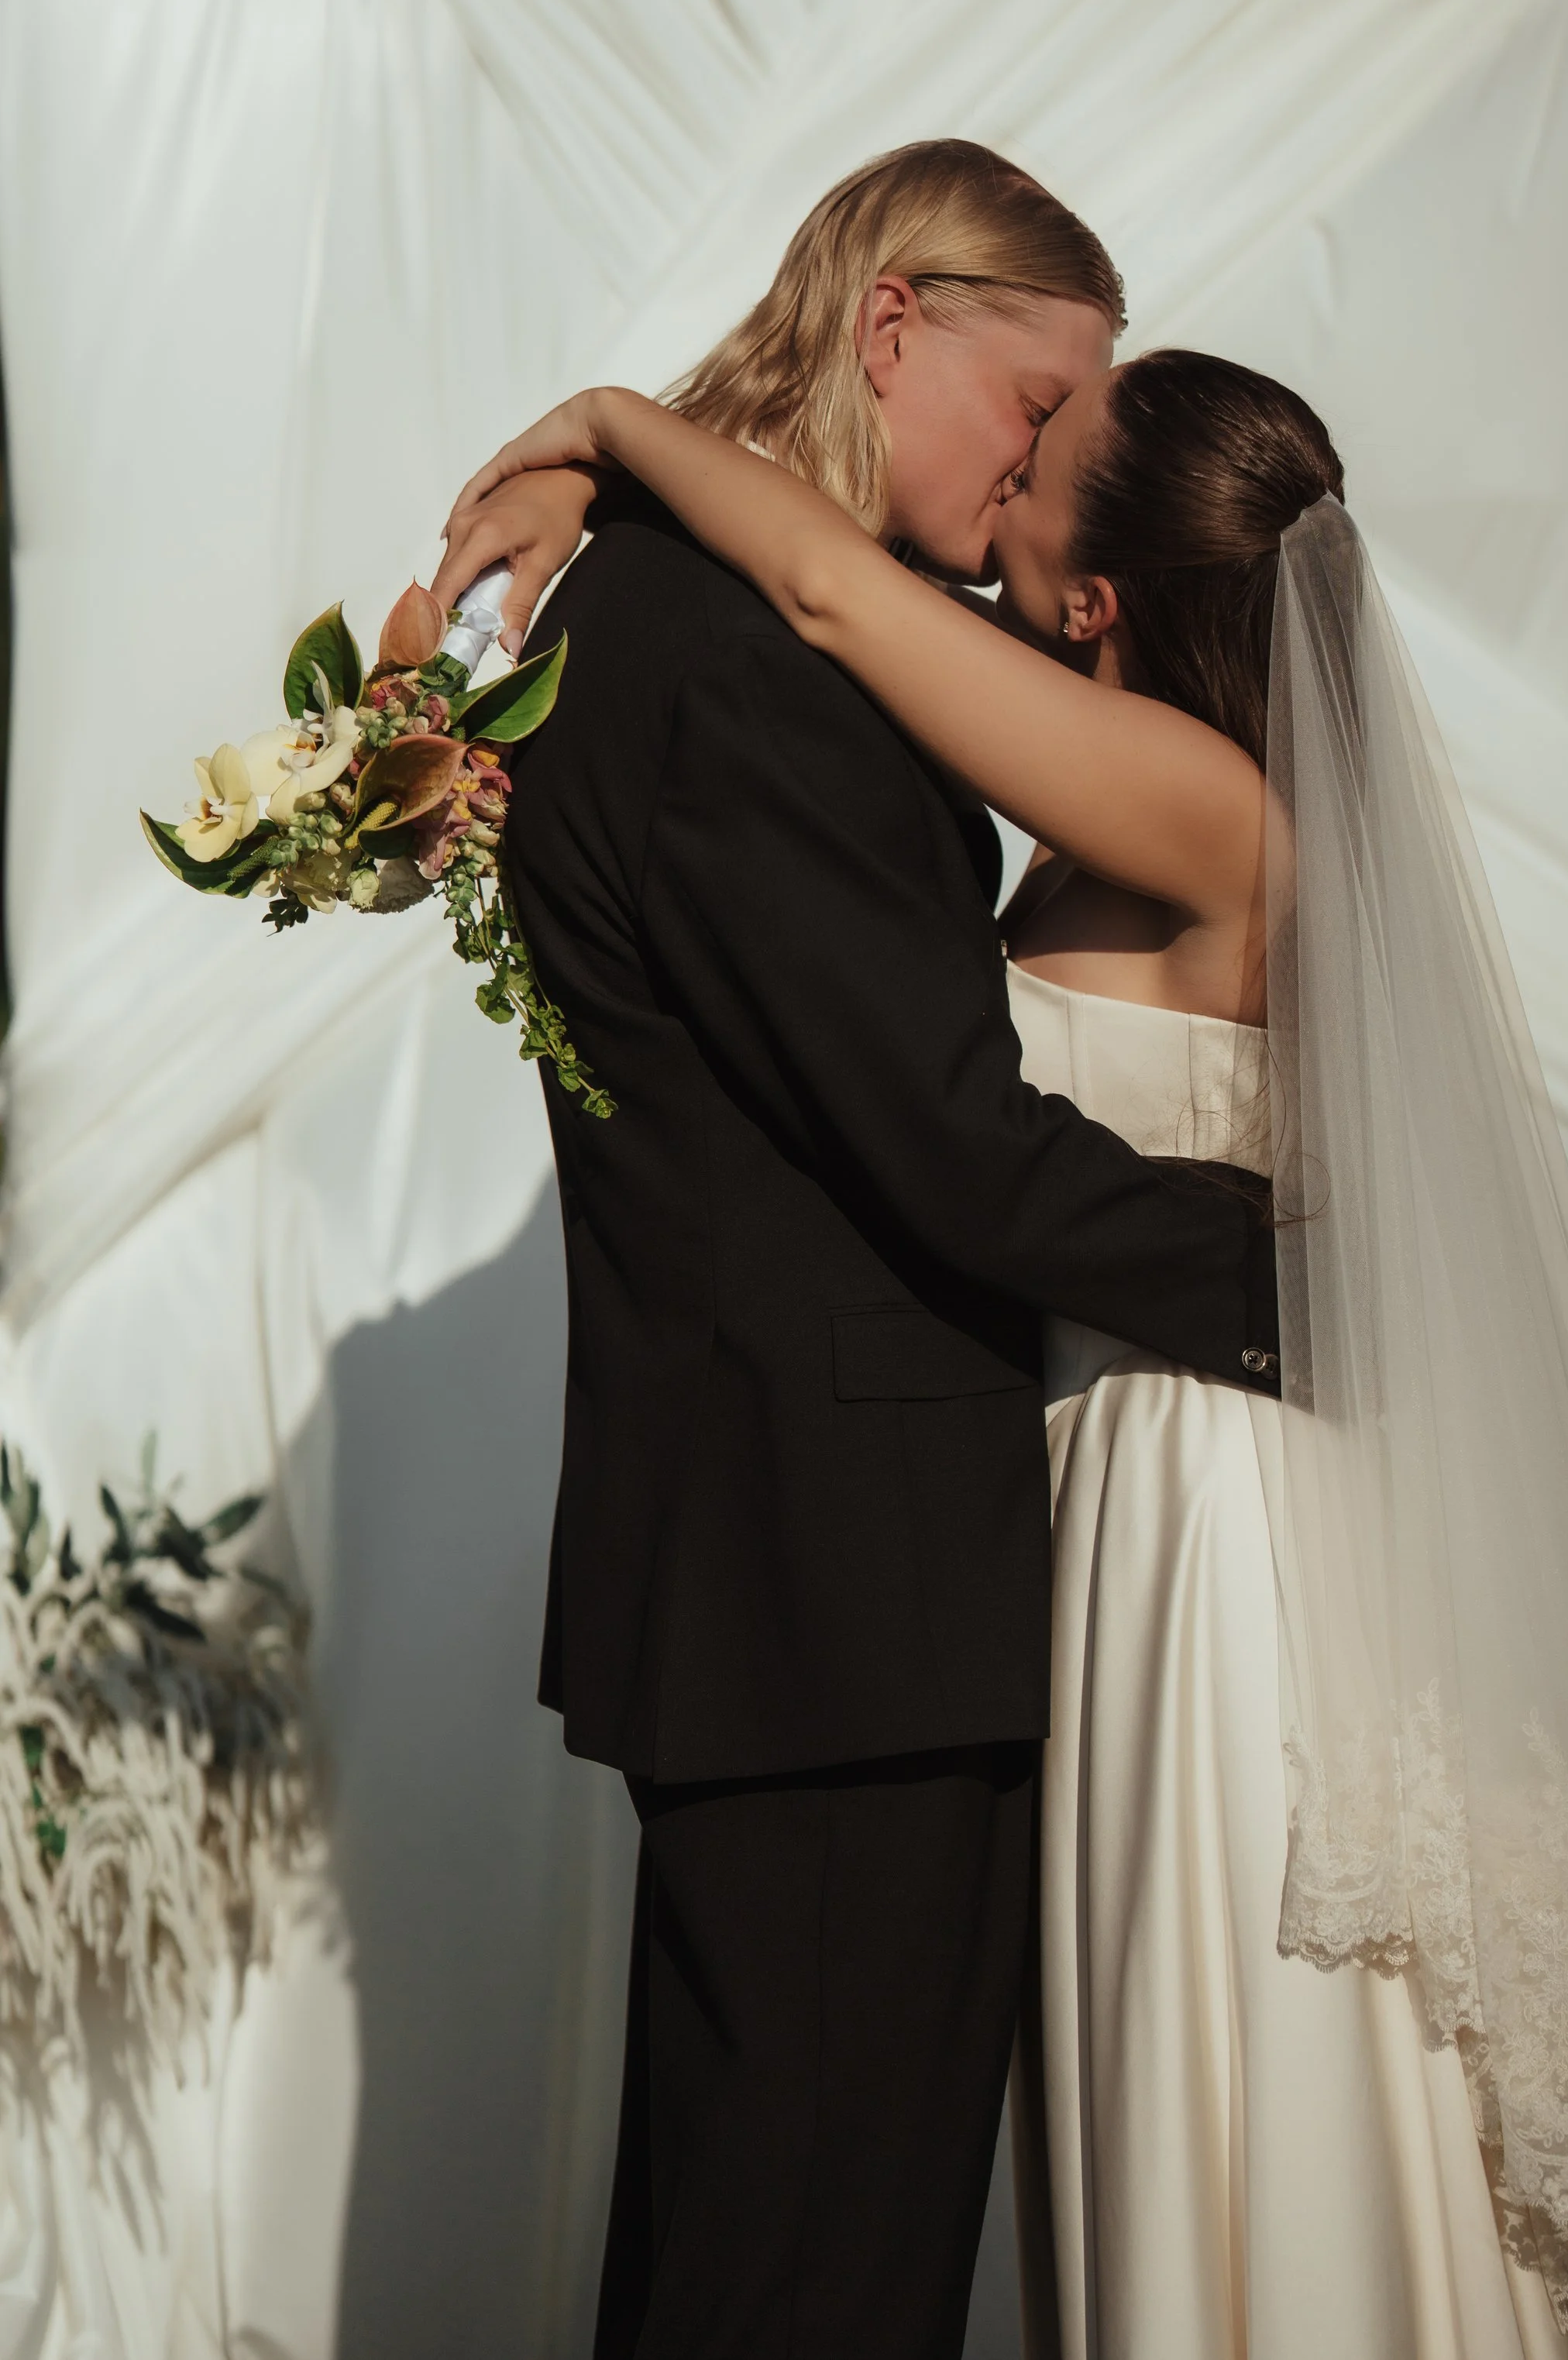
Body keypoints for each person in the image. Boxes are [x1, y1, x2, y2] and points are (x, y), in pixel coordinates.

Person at [440, 309, 1568, 2360]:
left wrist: (606, 421)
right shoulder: (1132, 762)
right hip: (1105, 1488)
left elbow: (834, 595)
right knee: (1146, 2055)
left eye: (1031, 474)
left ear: (1099, 587)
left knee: (1245, 2035)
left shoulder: (1194, 797)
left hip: (1209, 1515)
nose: (990, 491)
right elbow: (837, 620)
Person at [429, 141, 1286, 2360]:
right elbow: (951, 1149)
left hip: (791, 1585)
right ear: (893, 324)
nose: (1033, 495)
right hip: (837, 1599)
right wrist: (1309, 1278)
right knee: (812, 2280)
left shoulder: (686, 607)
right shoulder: (747, 666)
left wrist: (618, 462)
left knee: (760, 2248)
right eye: (1033, 410)